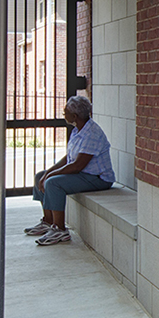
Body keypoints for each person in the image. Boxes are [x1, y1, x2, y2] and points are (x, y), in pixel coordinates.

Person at [26, 95, 114, 246]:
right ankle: (48, 221)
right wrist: (47, 173)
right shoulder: (78, 130)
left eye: (65, 112)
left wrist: (50, 176)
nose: (63, 115)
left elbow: (77, 166)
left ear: (74, 116)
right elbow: (68, 159)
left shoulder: (92, 133)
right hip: (83, 174)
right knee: (40, 176)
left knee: (53, 183)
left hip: (97, 178)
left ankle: (60, 230)